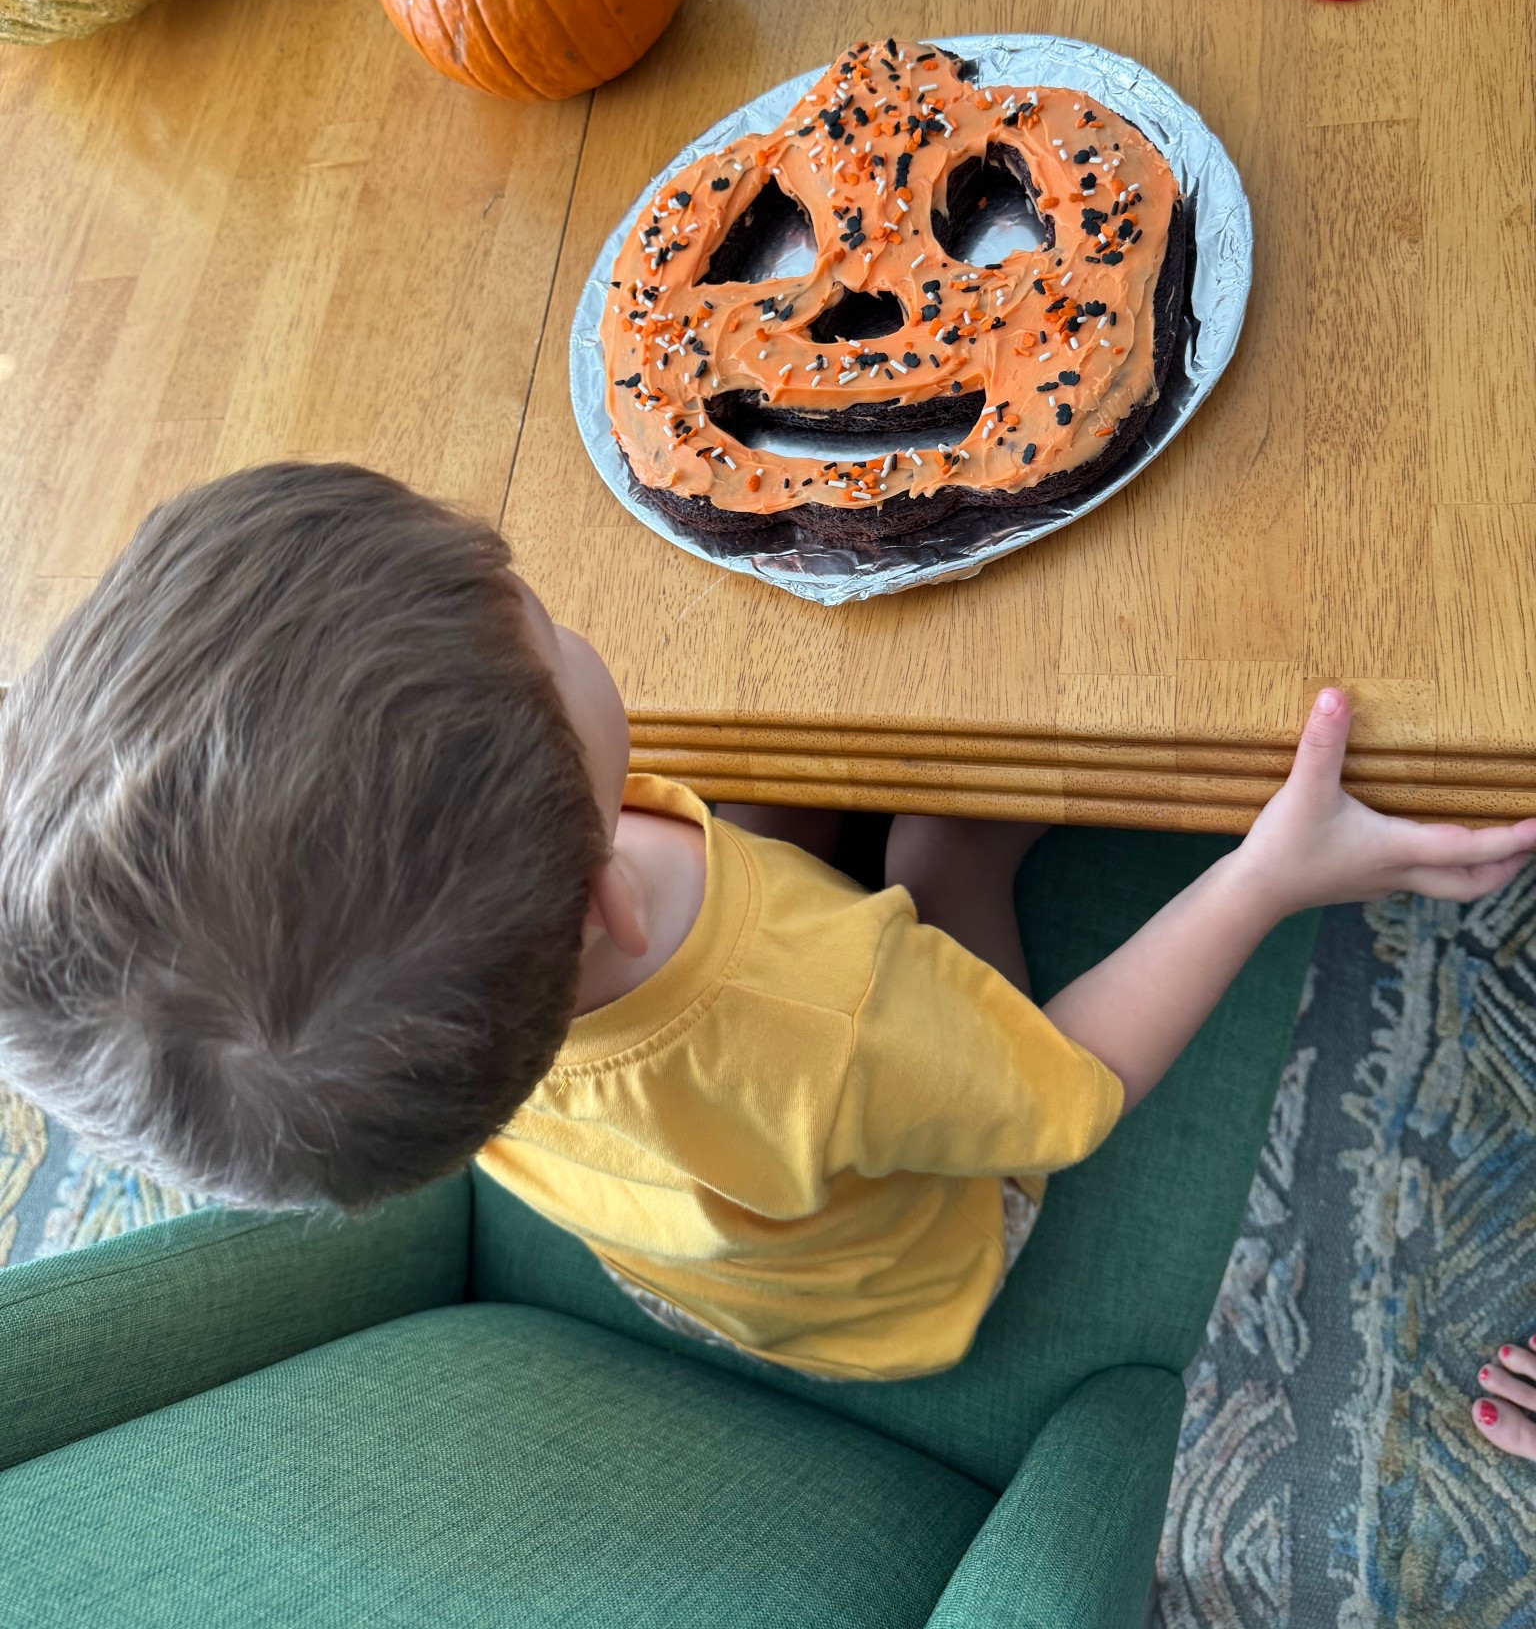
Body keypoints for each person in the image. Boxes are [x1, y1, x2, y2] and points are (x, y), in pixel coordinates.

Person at [2, 461, 1533, 1382]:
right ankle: (970, 861)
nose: (558, 613)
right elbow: (1067, 1094)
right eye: (546, 623)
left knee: (796, 791)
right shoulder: (827, 1007)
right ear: (603, 884)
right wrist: (1274, 868)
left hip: (694, 1238)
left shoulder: (427, 1016)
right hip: (915, 1265)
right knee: (946, 836)